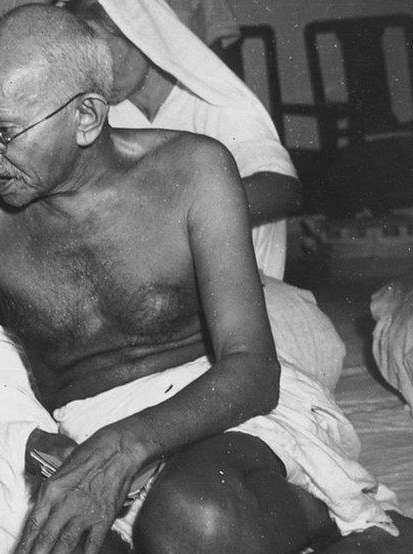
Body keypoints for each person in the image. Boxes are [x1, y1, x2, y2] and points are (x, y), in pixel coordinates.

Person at [0, 5, 413, 554]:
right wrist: (34, 446)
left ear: (87, 116)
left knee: (194, 522)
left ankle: (316, 522)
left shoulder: (194, 171)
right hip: (83, 431)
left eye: (2, 132)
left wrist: (124, 448)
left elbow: (252, 372)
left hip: (217, 413)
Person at [64, 0, 346, 390]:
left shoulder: (216, 102)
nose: (94, 73)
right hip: (135, 292)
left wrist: (185, 216)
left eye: (102, 50)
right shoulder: (100, 117)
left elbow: (284, 189)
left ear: (143, 36)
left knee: (306, 348)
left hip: (235, 283)